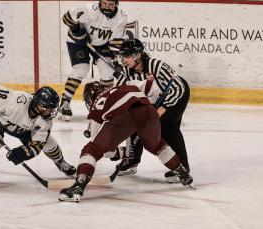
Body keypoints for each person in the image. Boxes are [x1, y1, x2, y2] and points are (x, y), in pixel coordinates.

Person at [58, 82, 193, 202]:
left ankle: (78, 186)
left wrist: (119, 153)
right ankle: (182, 172)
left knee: (91, 150)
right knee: (157, 146)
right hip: (148, 110)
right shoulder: (122, 85)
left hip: (123, 116)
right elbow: (149, 85)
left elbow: (102, 150)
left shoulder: (96, 105)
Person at [114, 39, 191, 183]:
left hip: (175, 96)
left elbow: (178, 88)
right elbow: (118, 93)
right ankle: (132, 160)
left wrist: (162, 109)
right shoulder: (125, 71)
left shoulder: (156, 65)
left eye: (127, 56)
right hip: (152, 100)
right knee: (134, 122)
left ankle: (182, 167)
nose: (123, 60)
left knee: (168, 128)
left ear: (137, 55)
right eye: (122, 56)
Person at [58, 0, 128, 121]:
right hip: (78, 42)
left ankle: (103, 102)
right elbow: (67, 17)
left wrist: (116, 62)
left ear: (116, 4)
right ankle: (65, 101)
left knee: (107, 72)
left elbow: (115, 44)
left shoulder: (121, 18)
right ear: (100, 2)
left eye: (110, 4)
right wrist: (76, 30)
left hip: (101, 45)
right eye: (104, 3)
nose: (107, 7)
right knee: (81, 68)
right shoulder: (89, 10)